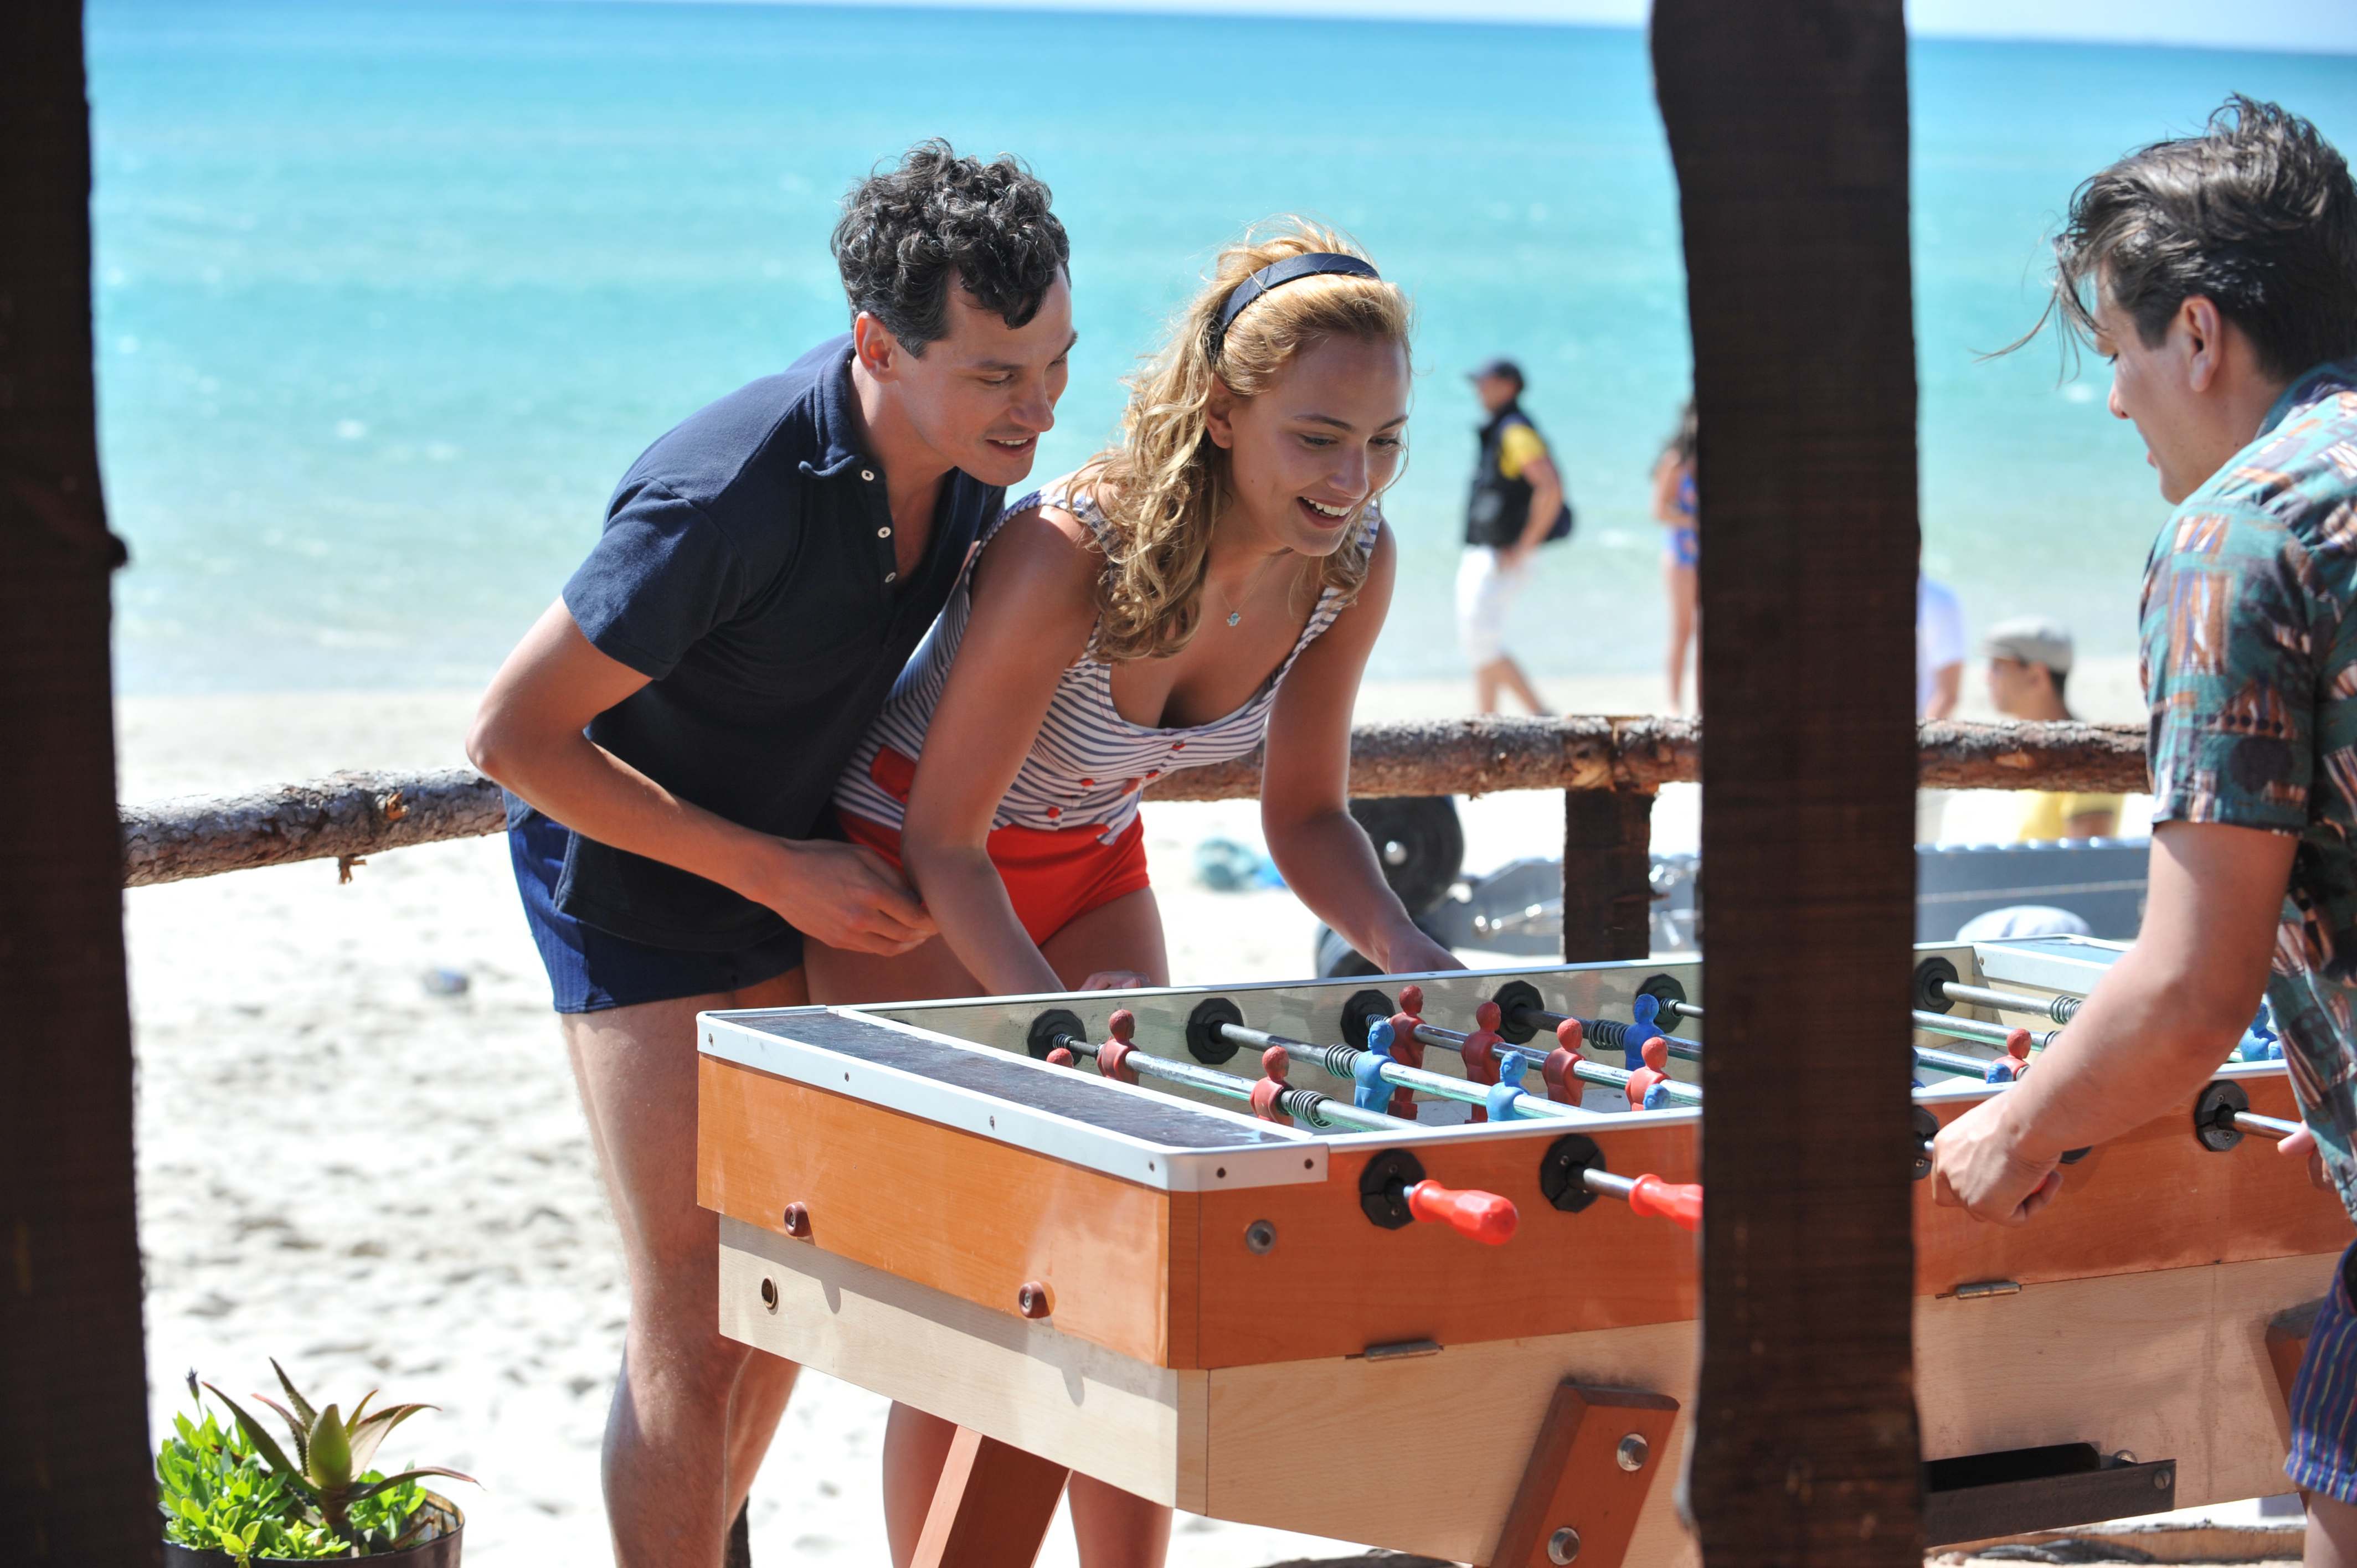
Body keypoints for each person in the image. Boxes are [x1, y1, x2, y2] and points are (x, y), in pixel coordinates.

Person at [812, 224, 1466, 1566]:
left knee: (1133, 1260)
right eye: (1318, 438)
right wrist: (1058, 1033)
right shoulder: (1070, 551)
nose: (1352, 479)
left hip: (1089, 859)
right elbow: (946, 840)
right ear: (1223, 412)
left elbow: (1307, 814)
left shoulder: (1351, 559)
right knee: (982, 1287)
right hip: (910, 875)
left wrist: (1403, 942)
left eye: (1384, 443)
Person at [464, 142, 1073, 1567]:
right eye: (998, 373)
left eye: (1056, 362)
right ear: (880, 344)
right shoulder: (722, 495)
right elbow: (509, 735)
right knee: (693, 1307)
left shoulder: (972, 463)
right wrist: (770, 869)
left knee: (790, 1283)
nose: (1039, 406)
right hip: (628, 875)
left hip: (788, 857)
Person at [1929, 97, 2357, 1563]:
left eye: (2115, 350)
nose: (2115, 401)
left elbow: (2187, 992)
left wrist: (2010, 1133)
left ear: (2197, 334)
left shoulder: (2241, 536)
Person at [1457, 357, 1570, 714]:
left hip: (1502, 555)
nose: (1478, 389)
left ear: (1509, 387)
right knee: (1482, 643)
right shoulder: (1504, 427)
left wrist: (1524, 546)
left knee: (1480, 644)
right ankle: (1486, 725)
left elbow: (1551, 487)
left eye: (1485, 382)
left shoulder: (1515, 430)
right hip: (1492, 552)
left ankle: (1541, 715)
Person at [1981, 616, 2122, 840]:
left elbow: (2087, 860)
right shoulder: (2030, 747)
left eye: (1998, 667)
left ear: (2036, 677)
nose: (1987, 677)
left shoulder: (2086, 755)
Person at [1649, 400, 1699, 711]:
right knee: (1682, 630)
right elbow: (1658, 511)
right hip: (1681, 554)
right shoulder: (1676, 461)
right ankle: (1674, 703)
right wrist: (1695, 520)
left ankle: (1703, 705)